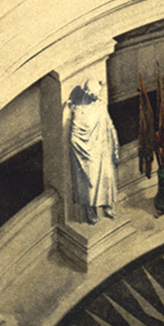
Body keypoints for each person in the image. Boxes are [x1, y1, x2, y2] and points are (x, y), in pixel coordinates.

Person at [68, 78, 119, 223]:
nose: (98, 96)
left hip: (103, 149)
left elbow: (109, 125)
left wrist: (114, 146)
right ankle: (90, 210)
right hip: (89, 154)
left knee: (107, 178)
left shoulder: (100, 106)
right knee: (90, 181)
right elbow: (74, 137)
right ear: (88, 93)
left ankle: (107, 205)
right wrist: (86, 152)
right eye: (95, 94)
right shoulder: (79, 111)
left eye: (99, 93)